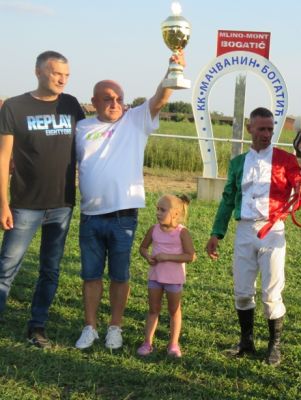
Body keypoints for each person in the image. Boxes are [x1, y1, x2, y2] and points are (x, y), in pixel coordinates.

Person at [74, 52, 184, 351]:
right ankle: (90, 327)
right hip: (91, 216)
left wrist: (172, 69)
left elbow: (160, 98)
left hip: (124, 216)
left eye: (119, 97)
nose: (115, 102)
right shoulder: (81, 128)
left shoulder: (135, 120)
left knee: (120, 276)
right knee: (90, 275)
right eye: (107, 98)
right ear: (94, 101)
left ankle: (115, 327)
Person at [205, 107, 301, 366]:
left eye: (270, 129)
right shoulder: (237, 163)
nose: (266, 134)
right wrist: (216, 233)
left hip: (273, 229)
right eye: (262, 129)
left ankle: (274, 346)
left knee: (271, 293)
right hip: (244, 230)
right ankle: (246, 341)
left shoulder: (286, 160)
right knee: (242, 291)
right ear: (250, 129)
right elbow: (227, 200)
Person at [0, 51, 84, 348]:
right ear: (38, 72)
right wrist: (3, 203)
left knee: (50, 270)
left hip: (62, 204)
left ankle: (37, 326)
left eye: (66, 75)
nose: (62, 79)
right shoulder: (14, 106)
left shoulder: (71, 105)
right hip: (24, 205)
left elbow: (91, 139)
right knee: (7, 268)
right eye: (56, 73)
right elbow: (3, 157)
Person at [137, 194, 196, 358]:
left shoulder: (182, 232)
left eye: (162, 210)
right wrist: (147, 257)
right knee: (153, 309)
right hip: (155, 277)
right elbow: (143, 248)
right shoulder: (153, 229)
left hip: (174, 280)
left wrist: (167, 257)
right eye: (157, 209)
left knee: (174, 310)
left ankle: (173, 344)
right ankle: (147, 343)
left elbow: (190, 256)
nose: (158, 213)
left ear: (176, 214)